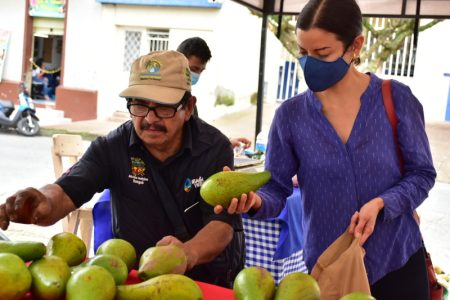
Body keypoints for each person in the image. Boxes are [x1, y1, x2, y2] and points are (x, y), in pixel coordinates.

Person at [216, 0, 436, 299]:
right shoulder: (290, 116)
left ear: (355, 46)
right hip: (328, 268)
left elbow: (421, 174)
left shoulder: (396, 99)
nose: (309, 63)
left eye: (322, 54)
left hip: (397, 258)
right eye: (303, 53)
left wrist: (383, 203)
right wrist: (253, 201)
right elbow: (275, 190)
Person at [0, 50, 244, 288]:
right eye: (139, 105)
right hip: (133, 280)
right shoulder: (112, 147)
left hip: (202, 281)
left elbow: (221, 225)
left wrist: (187, 254)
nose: (149, 119)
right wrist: (42, 202)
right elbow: (65, 192)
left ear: (189, 107)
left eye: (163, 107)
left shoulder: (214, 149)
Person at [177, 37, 251, 149]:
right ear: (178, 62)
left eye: (201, 70)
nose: (197, 75)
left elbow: (196, 133)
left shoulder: (189, 99)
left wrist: (225, 142)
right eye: (194, 68)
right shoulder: (160, 96)